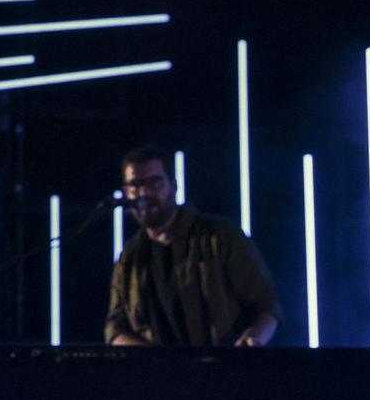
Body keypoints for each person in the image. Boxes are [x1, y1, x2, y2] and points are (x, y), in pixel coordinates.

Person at [105, 144, 281, 347]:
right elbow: (115, 328)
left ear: (173, 185)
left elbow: (265, 306)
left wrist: (253, 340)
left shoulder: (221, 236)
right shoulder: (130, 256)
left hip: (223, 371)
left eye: (154, 183)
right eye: (134, 185)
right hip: (157, 377)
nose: (143, 193)